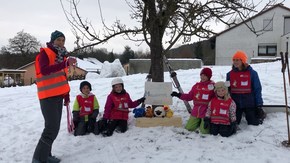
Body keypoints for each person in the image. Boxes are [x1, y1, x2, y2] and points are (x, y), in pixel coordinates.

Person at [32, 30, 77, 163]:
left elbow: (61, 78)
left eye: (63, 40)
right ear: (52, 41)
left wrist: (66, 95)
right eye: (58, 40)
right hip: (47, 97)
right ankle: (38, 159)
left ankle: (46, 155)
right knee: (50, 129)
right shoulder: (45, 53)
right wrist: (64, 64)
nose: (61, 42)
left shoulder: (61, 56)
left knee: (54, 128)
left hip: (58, 96)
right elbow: (45, 70)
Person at [226, 50, 265, 126]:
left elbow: (257, 89)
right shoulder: (229, 74)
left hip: (249, 103)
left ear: (243, 60)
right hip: (236, 104)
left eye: (237, 60)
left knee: (253, 123)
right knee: (234, 123)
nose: (235, 62)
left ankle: (259, 116)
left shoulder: (252, 73)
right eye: (234, 60)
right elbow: (227, 90)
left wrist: (259, 104)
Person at [171, 68, 215, 134]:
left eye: (205, 75)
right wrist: (178, 95)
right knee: (189, 128)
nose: (203, 77)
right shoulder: (196, 86)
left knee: (204, 131)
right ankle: (198, 121)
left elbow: (217, 98)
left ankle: (203, 122)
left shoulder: (212, 86)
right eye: (202, 75)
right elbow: (189, 97)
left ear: (209, 77)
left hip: (206, 112)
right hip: (196, 111)